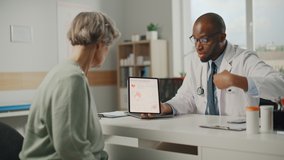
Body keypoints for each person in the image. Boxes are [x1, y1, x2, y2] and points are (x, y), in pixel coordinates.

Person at [142, 12, 284, 118]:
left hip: (237, 137)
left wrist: (237, 80)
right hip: (202, 133)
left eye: (204, 40)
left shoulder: (244, 59)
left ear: (222, 37)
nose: (198, 46)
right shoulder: (195, 61)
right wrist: (166, 107)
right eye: (195, 39)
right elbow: (186, 97)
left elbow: (280, 86)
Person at [19, 11, 120, 160]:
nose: (107, 50)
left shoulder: (65, 72)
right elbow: (71, 148)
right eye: (108, 45)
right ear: (100, 43)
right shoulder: (71, 79)